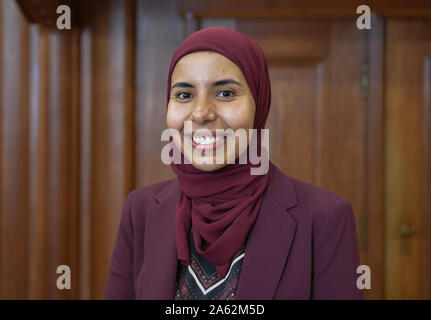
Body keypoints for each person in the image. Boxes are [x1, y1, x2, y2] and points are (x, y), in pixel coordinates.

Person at [104, 27, 363, 300]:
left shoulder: (324, 218)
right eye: (184, 95)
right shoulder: (140, 210)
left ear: (259, 104)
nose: (201, 113)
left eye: (225, 93)